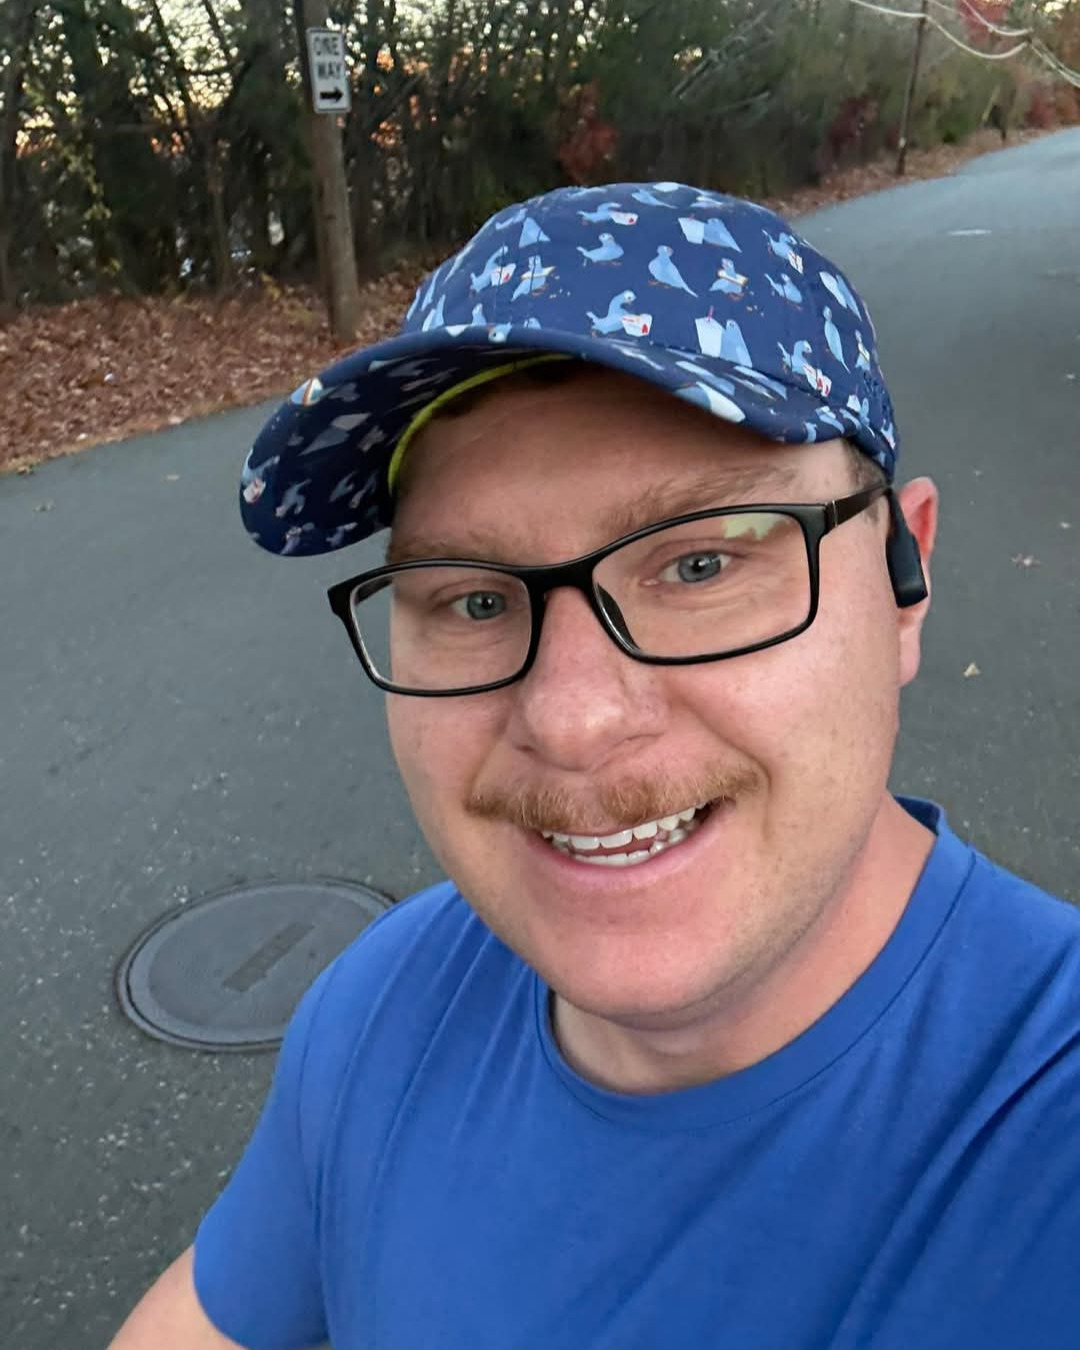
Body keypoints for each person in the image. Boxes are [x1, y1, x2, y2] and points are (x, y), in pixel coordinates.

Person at [107, 183, 1080, 1350]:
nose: (569, 718)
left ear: (903, 577)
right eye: (471, 598)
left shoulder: (1040, 1137)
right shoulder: (384, 1011)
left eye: (703, 568)